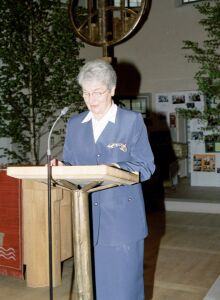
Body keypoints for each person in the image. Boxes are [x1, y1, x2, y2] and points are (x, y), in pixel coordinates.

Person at [55, 59, 155, 300]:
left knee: (123, 290)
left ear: (111, 90)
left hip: (122, 223)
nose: (91, 99)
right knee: (92, 289)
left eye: (98, 92)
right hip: (85, 221)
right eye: (86, 93)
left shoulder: (131, 121)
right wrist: (60, 167)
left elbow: (146, 166)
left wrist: (115, 168)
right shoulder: (75, 124)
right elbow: (71, 164)